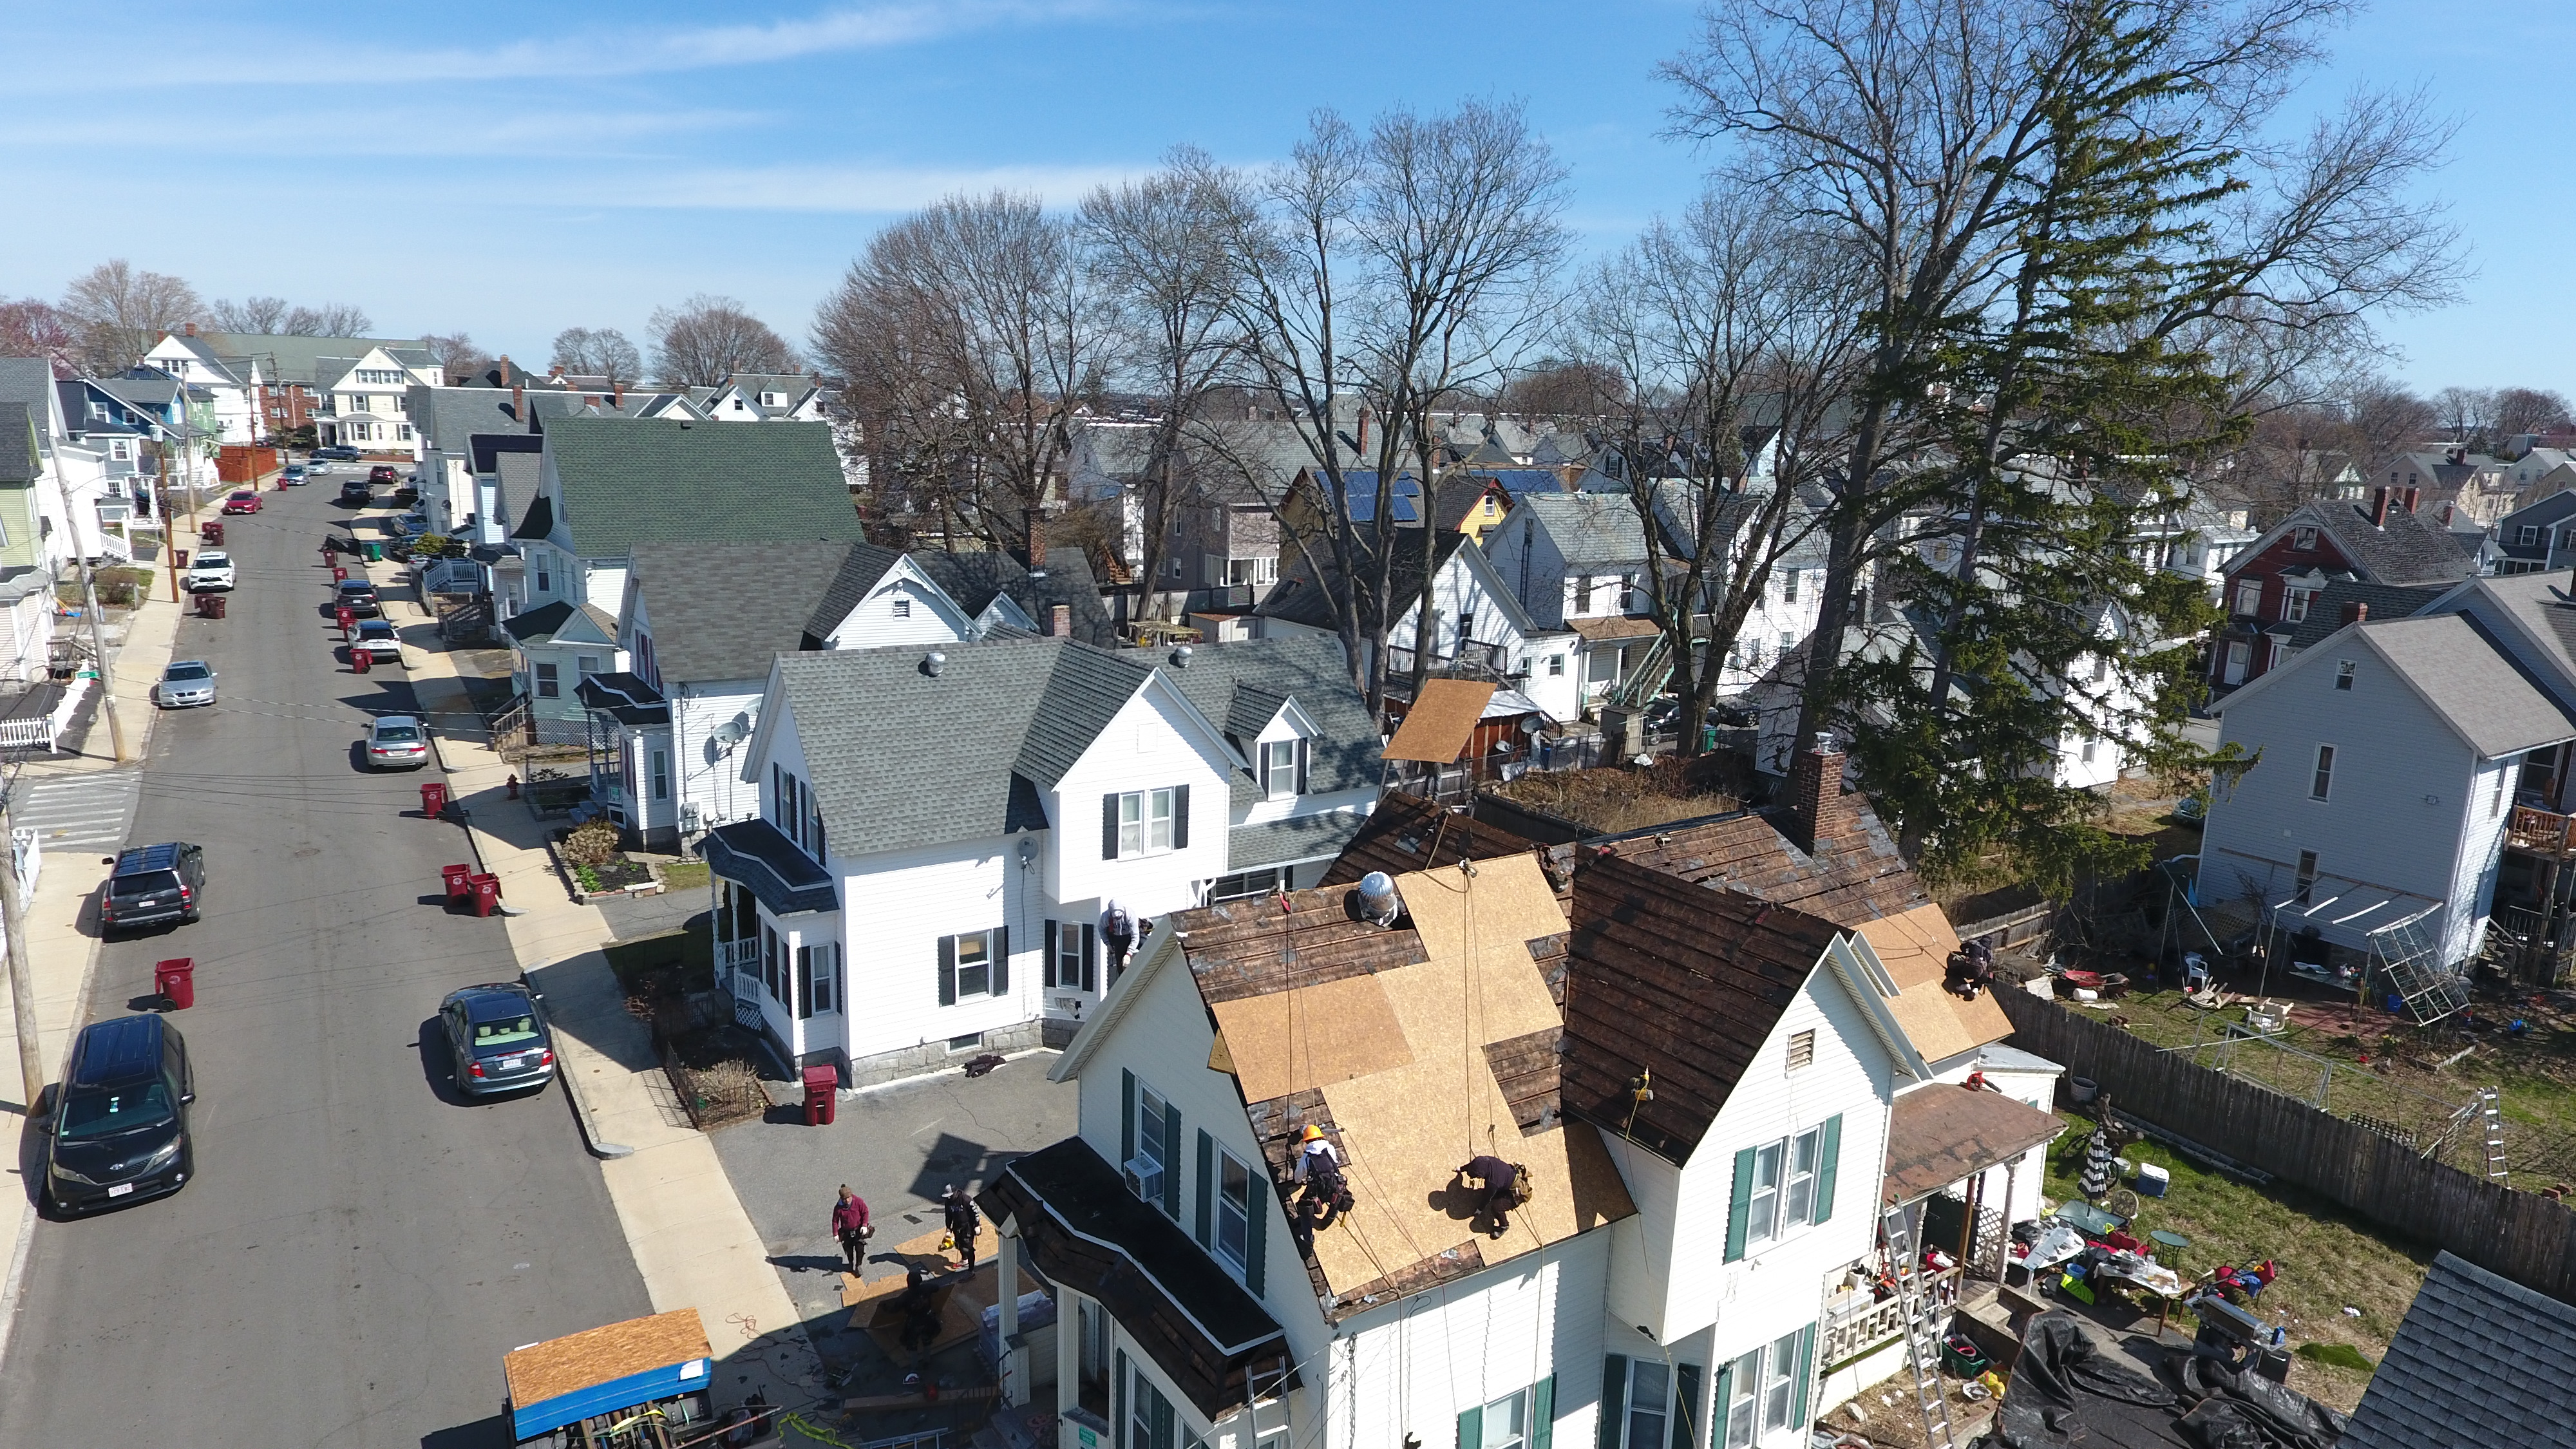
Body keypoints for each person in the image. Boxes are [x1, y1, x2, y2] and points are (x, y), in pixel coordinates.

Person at [1455, 1155, 1521, 1238]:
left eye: (1477, 1177)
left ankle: (1504, 1226)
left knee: (1496, 1206)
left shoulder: (1493, 1184)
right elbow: (1473, 1165)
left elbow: (1487, 1198)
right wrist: (1461, 1169)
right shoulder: (1485, 1160)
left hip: (1514, 1192)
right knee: (1492, 1192)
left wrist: (1479, 1209)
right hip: (1507, 1176)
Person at [889, 1265, 941, 1350]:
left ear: (908, 1283)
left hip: (914, 1322)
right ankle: (927, 1360)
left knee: (912, 1345)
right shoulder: (927, 1288)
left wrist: (885, 1308)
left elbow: (895, 1309)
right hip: (929, 1319)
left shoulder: (905, 1296)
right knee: (927, 1340)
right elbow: (937, 1288)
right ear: (920, 1281)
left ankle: (915, 1362)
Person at [831, 1185, 871, 1274]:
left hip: (858, 1230)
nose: (847, 1201)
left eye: (849, 1198)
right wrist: (835, 1234)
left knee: (860, 1248)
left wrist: (864, 1225)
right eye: (845, 1199)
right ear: (841, 1199)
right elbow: (835, 1221)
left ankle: (858, 1265)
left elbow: (865, 1212)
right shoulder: (838, 1208)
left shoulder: (858, 1201)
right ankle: (850, 1263)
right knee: (848, 1250)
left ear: (851, 1196)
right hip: (846, 1232)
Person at [942, 1183, 982, 1270]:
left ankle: (971, 1271)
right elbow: (948, 1216)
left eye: (950, 1196)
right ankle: (964, 1260)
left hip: (968, 1227)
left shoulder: (966, 1200)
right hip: (957, 1227)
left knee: (968, 1249)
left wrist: (977, 1225)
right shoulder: (948, 1201)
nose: (949, 1198)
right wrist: (948, 1228)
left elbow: (976, 1213)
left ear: (956, 1192)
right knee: (959, 1244)